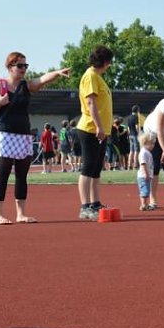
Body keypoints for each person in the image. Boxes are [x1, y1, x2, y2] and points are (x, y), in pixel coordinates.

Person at [0, 52, 69, 224]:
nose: (23, 69)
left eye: (25, 66)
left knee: (22, 175)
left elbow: (42, 79)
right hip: (5, 135)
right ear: (10, 67)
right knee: (3, 173)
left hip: (23, 136)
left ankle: (21, 214)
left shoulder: (26, 86)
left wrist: (57, 73)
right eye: (20, 66)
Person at [74, 45, 113, 221]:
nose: (109, 65)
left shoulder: (98, 77)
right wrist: (99, 126)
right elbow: (91, 103)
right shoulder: (90, 76)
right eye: (109, 62)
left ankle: (95, 203)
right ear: (104, 62)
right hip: (90, 128)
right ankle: (85, 207)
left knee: (96, 168)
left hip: (100, 130)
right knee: (88, 167)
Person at [137, 130, 157, 211]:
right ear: (145, 143)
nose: (153, 145)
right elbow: (143, 164)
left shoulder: (147, 152)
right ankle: (143, 204)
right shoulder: (144, 153)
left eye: (153, 143)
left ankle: (145, 204)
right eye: (151, 143)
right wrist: (146, 174)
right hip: (143, 175)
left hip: (147, 175)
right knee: (145, 190)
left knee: (147, 190)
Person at [126, 105, 141, 171]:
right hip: (135, 135)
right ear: (137, 110)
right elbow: (136, 126)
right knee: (136, 150)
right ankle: (135, 165)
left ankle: (129, 165)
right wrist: (139, 133)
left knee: (131, 150)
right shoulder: (136, 117)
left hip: (130, 135)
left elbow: (128, 128)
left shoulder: (128, 117)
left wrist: (129, 134)